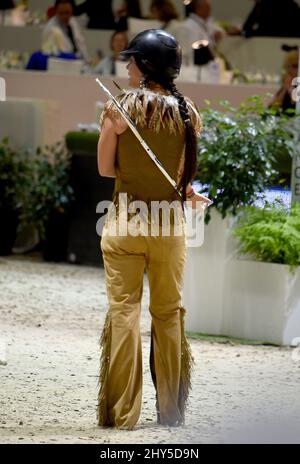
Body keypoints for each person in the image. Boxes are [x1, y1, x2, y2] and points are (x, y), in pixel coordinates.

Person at [96, 29, 211, 429]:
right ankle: (171, 412)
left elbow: (106, 169)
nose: (126, 66)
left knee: (124, 311)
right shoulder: (188, 113)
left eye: (132, 60)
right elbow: (179, 178)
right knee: (168, 313)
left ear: (145, 65)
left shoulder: (120, 108)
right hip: (170, 228)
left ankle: (123, 415)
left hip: (127, 223)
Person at [269, 48, 299, 114]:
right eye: (288, 66)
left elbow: (296, 106)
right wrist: (285, 89)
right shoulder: (287, 84)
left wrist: (290, 89)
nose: (290, 69)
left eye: (295, 66)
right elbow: (272, 109)